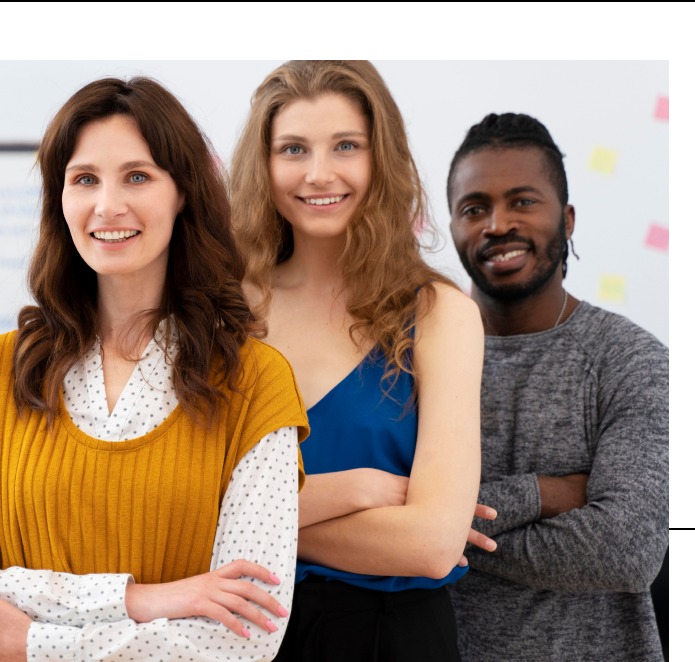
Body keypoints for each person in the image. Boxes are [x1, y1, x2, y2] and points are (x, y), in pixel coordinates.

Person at [0, 77, 309, 662]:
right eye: (85, 180)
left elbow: (245, 635)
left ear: (183, 194)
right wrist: (141, 599)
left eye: (138, 176)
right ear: (61, 199)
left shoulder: (255, 381)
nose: (107, 205)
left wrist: (35, 643)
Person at [231, 60, 492, 661]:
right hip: (238, 631)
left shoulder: (439, 313)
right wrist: (361, 489)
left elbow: (430, 545)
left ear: (382, 158)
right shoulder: (223, 311)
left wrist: (252, 527)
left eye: (346, 145)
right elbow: (184, 505)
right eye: (293, 148)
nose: (319, 173)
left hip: (392, 638)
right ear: (262, 165)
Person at [445, 112, 668, 661]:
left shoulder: (631, 360)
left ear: (567, 220)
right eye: (475, 208)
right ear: (451, 227)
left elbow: (624, 550)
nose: (497, 225)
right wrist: (547, 493)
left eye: (523, 201)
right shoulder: (411, 362)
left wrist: (429, 533)